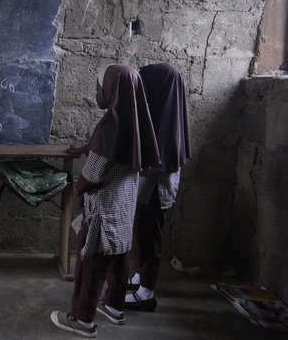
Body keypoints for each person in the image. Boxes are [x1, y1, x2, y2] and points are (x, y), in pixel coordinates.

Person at [50, 64, 159, 338]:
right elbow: (120, 153)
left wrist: (78, 187)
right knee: (119, 258)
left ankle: (82, 318)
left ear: (112, 89)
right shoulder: (139, 123)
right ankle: (114, 307)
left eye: (100, 85)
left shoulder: (109, 126)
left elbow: (94, 173)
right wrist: (88, 147)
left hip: (103, 209)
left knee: (91, 262)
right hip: (124, 206)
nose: (98, 91)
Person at [124, 62, 191, 312]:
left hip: (157, 186)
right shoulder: (162, 113)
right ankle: (141, 276)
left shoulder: (166, 122)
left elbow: (157, 160)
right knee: (141, 229)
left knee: (150, 235)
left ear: (158, 87)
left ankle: (147, 293)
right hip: (149, 185)